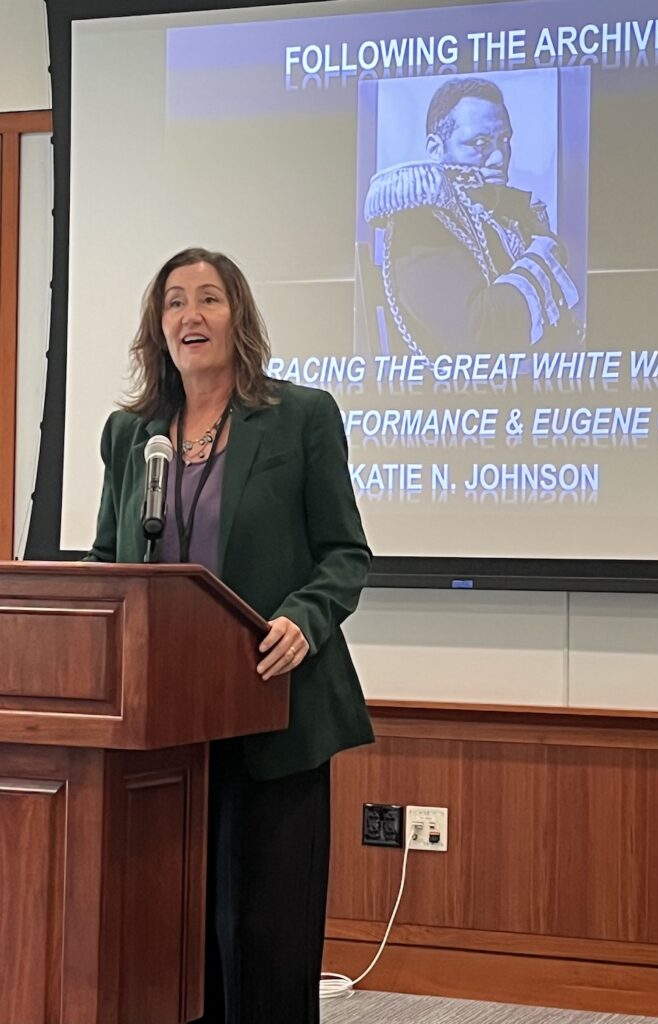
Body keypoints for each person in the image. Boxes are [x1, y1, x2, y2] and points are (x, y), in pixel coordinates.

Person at [85, 246, 374, 1023]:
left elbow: (345, 553)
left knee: (266, 933)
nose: (191, 315)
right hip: (160, 730)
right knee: (174, 933)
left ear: (237, 316)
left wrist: (304, 621)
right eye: (175, 302)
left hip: (271, 705)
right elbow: (105, 565)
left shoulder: (300, 418)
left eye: (208, 298)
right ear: (159, 326)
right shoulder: (129, 435)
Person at [363, 76, 584, 360]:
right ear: (435, 149)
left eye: (504, 141)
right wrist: (541, 252)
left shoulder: (507, 215)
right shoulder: (421, 223)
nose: (498, 158)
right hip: (463, 400)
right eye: (479, 143)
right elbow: (479, 337)